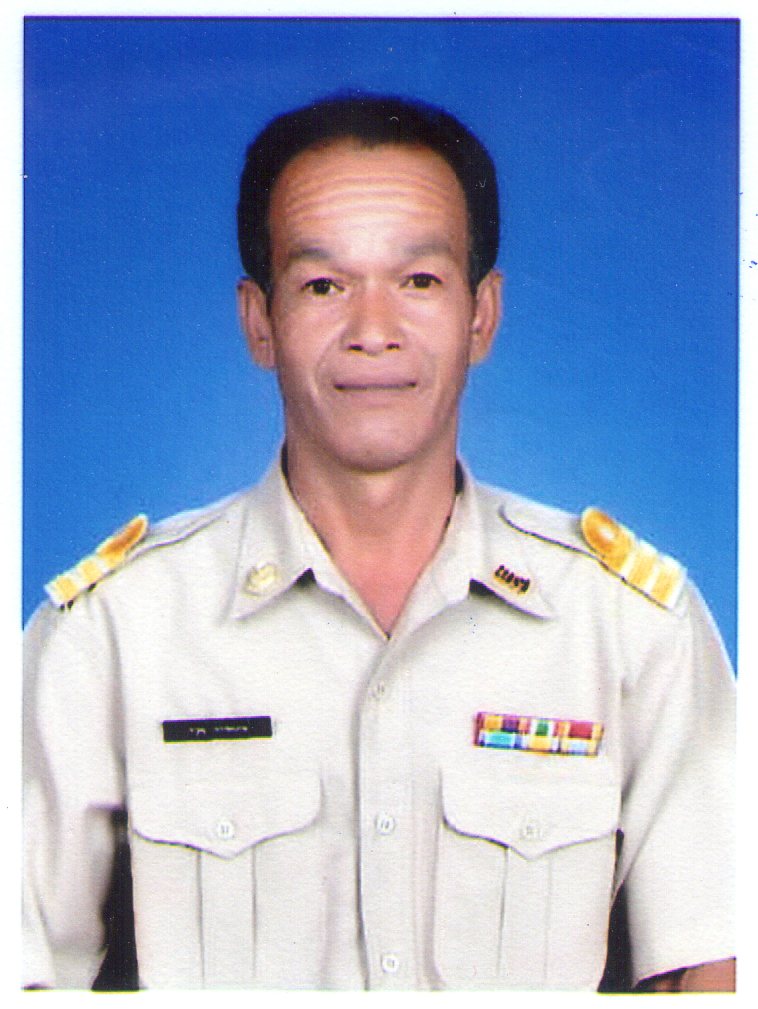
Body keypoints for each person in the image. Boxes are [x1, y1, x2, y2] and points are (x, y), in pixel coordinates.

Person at [23, 94, 736, 991]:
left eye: (419, 281)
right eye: (323, 286)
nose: (373, 331)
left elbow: (713, 972)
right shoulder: (111, 635)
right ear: (259, 321)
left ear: (482, 315)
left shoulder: (631, 634)